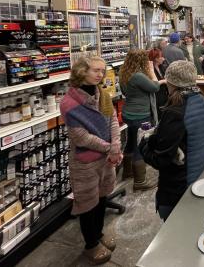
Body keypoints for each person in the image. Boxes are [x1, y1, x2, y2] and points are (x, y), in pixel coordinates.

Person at [60, 57, 121, 265]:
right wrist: (110, 148)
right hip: (85, 162)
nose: (100, 75)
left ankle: (98, 234)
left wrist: (115, 146)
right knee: (88, 204)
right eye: (96, 70)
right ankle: (90, 244)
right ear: (81, 71)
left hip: (106, 159)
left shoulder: (102, 94)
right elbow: (81, 137)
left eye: (102, 71)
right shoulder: (69, 102)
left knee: (102, 197)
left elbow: (113, 119)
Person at [139, 61, 204, 220]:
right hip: (202, 170)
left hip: (179, 188)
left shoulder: (176, 111)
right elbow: (191, 135)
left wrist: (144, 143)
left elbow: (160, 160)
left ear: (170, 82)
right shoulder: (202, 99)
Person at [119, 49, 163, 190]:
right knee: (140, 144)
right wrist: (151, 72)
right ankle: (140, 181)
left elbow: (125, 92)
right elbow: (155, 87)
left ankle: (127, 172)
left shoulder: (124, 73)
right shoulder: (138, 76)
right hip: (140, 115)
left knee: (130, 141)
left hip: (128, 113)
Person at [149, 48, 170, 114]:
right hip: (155, 97)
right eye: (161, 57)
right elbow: (152, 84)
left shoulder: (162, 67)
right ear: (155, 58)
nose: (163, 59)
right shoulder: (150, 70)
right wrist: (163, 81)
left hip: (164, 96)